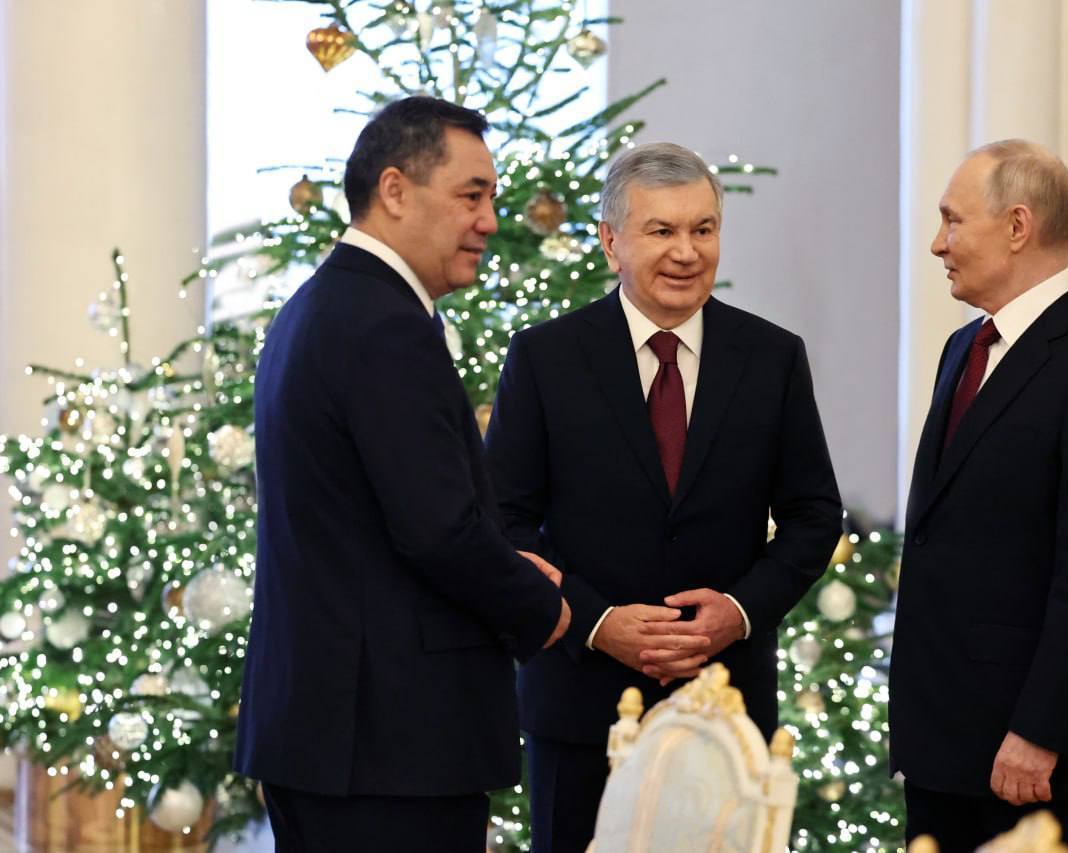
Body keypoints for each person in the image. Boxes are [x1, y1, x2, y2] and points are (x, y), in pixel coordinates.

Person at [484, 142, 843, 853]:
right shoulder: (546, 358)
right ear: (610, 241)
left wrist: (739, 611)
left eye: (702, 229)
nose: (686, 251)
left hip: (729, 713)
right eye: (661, 230)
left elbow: (813, 515)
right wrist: (596, 621)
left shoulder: (772, 357)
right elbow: (504, 522)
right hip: (582, 705)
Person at [235, 96, 571, 852]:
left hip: (336, 733)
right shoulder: (384, 324)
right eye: (472, 195)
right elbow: (436, 528)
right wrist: (540, 604)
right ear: (394, 190)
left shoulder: (323, 305)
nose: (490, 220)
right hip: (387, 743)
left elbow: (372, 518)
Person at [889, 139, 1068, 852]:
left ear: (1017, 226)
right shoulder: (964, 348)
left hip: (1039, 763)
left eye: (953, 221)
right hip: (947, 746)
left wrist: (1039, 733)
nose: (937, 243)